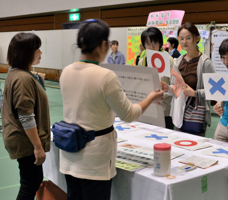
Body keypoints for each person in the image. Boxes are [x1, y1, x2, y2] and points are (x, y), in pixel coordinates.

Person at [59, 19, 164, 200]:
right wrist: (151, 98)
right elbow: (129, 114)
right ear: (102, 45)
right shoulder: (105, 76)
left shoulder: (66, 71)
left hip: (69, 154)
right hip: (94, 159)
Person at [2, 33, 50, 200]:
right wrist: (37, 146)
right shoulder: (22, 78)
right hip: (25, 141)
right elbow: (26, 116)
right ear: (26, 52)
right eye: (37, 49)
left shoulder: (16, 72)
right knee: (30, 184)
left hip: (21, 138)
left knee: (33, 181)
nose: (40, 53)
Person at [161, 22, 215, 136]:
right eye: (181, 38)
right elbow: (177, 88)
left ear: (197, 38)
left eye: (188, 38)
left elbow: (214, 92)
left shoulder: (205, 62)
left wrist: (194, 93)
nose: (184, 42)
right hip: (179, 112)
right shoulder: (179, 60)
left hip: (196, 114)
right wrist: (168, 88)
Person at [138, 27, 175, 129]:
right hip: (147, 108)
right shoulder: (142, 61)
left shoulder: (168, 60)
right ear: (144, 45)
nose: (152, 47)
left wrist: (165, 91)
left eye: (154, 43)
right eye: (148, 44)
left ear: (160, 43)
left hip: (164, 109)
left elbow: (176, 85)